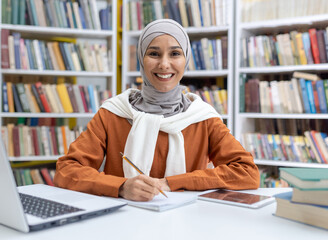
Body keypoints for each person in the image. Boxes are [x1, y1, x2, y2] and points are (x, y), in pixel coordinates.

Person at [54, 19, 259, 202]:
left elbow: (247, 173)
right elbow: (66, 170)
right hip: (122, 222)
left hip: (187, 223)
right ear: (141, 60)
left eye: (175, 53)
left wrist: (170, 183)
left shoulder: (203, 117)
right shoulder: (113, 113)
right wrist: (121, 187)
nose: (164, 64)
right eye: (154, 53)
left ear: (185, 60)